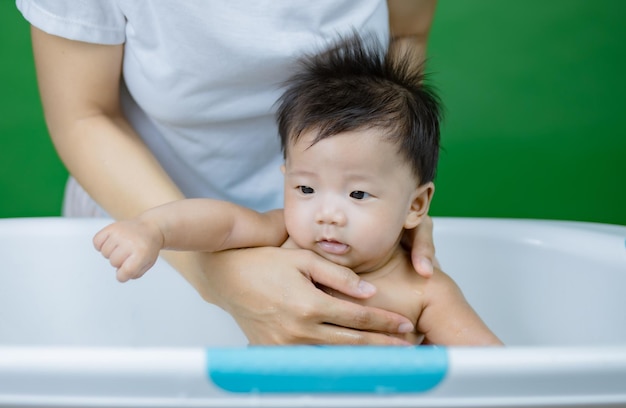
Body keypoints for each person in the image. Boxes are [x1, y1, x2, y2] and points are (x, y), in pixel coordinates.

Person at [18, 0, 442, 345]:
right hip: (139, 254)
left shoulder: (417, 284)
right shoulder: (271, 226)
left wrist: (389, 190)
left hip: (351, 249)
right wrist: (212, 273)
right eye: (307, 188)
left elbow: (407, 34)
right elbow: (84, 115)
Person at [94, 33, 502, 346]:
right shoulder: (286, 235)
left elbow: (495, 371)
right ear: (286, 176)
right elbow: (221, 224)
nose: (327, 213)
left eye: (357, 195)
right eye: (306, 188)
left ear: (415, 205)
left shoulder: (424, 290)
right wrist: (154, 229)